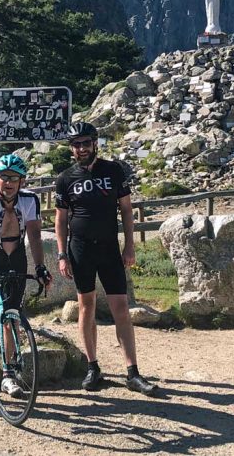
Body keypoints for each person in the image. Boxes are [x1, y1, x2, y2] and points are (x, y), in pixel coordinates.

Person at [54, 122, 157, 396]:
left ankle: (133, 372)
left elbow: (126, 210)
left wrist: (130, 246)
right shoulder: (65, 178)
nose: (81, 148)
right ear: (71, 148)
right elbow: (61, 219)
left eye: (85, 143)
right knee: (86, 306)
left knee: (120, 308)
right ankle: (92, 367)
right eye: (76, 144)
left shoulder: (113, 171)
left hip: (110, 248)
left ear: (94, 143)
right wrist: (62, 254)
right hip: (80, 249)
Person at [0, 153, 52, 406]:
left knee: (11, 318)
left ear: (22, 181)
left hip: (16, 259)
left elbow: (34, 236)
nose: (9, 182)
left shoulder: (30, 200)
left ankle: (8, 375)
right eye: (4, 177)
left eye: (14, 177)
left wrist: (40, 267)